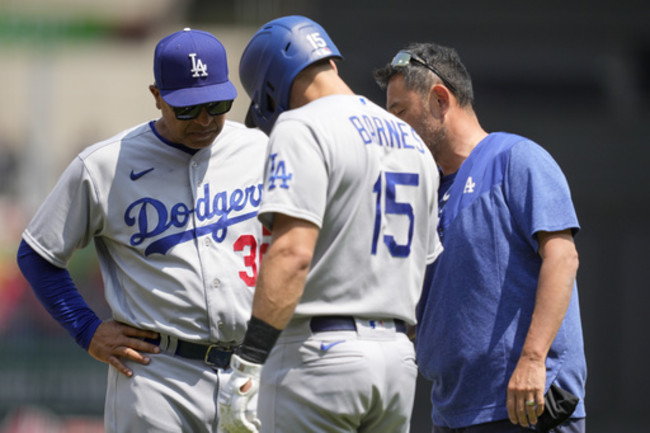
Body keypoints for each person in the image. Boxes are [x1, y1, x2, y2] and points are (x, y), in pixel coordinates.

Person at [16, 28, 268, 433]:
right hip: (157, 375)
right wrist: (87, 329)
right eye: (188, 108)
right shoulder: (104, 165)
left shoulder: (258, 150)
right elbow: (38, 254)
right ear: (157, 96)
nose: (205, 119)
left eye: (217, 104)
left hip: (251, 371)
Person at [217, 15, 443, 433]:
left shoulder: (301, 125)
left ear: (270, 88)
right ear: (330, 64)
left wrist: (250, 359)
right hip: (395, 360)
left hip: (319, 355)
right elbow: (427, 269)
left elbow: (291, 254)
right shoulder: (413, 142)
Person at [373, 43, 587, 433]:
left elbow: (563, 258)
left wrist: (533, 360)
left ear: (440, 100)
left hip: (525, 407)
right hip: (452, 413)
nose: (395, 131)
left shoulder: (517, 158)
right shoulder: (425, 192)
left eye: (400, 113)